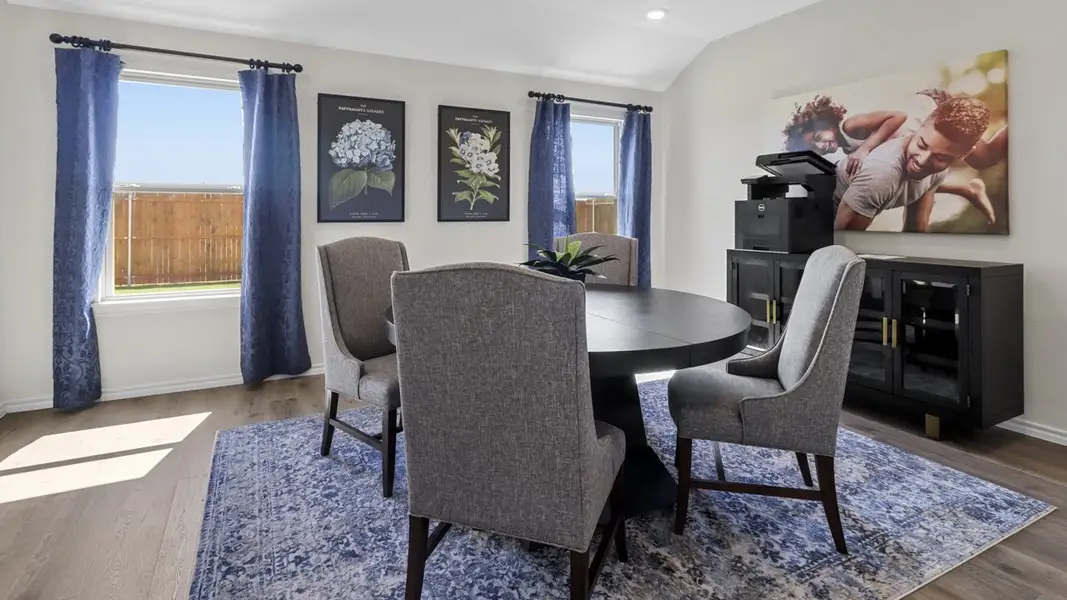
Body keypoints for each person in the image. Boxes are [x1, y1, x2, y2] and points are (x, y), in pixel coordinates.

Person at [833, 95, 995, 232]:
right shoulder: (881, 174)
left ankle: (967, 189)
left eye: (940, 157)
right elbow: (843, 246)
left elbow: (916, 227)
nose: (922, 160)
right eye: (922, 145)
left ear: (964, 155)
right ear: (920, 127)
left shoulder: (937, 170)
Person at [783, 89, 1008, 176]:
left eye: (818, 137)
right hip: (923, 125)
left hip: (935, 107)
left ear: (825, 124)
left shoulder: (850, 126)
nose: (821, 146)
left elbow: (897, 116)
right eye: (815, 147)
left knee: (984, 158)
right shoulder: (846, 147)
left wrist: (865, 149)